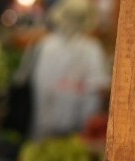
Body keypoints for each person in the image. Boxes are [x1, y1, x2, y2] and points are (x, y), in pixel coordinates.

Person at [23, 0, 110, 139]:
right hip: (78, 130)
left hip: (44, 125)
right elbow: (100, 87)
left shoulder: (44, 45)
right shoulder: (91, 48)